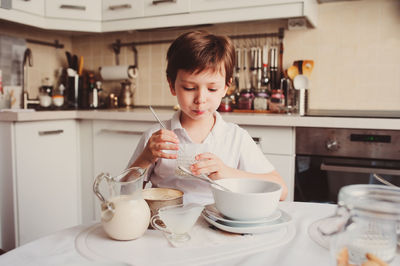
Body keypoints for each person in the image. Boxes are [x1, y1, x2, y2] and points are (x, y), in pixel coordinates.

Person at [128, 30, 288, 204]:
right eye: (189, 88)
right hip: (166, 225)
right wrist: (145, 159)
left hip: (220, 226)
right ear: (172, 85)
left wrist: (228, 173)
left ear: (226, 87)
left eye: (212, 89)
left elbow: (281, 191)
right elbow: (124, 193)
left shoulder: (235, 138)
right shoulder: (156, 138)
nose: (200, 100)